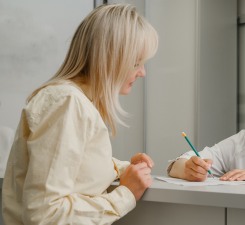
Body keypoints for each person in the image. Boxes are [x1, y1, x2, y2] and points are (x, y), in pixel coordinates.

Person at [2, 4, 158, 225]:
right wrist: (125, 195)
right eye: (136, 63)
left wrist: (122, 169)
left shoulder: (72, 102)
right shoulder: (68, 104)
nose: (142, 72)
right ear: (111, 59)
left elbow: (74, 167)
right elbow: (44, 214)